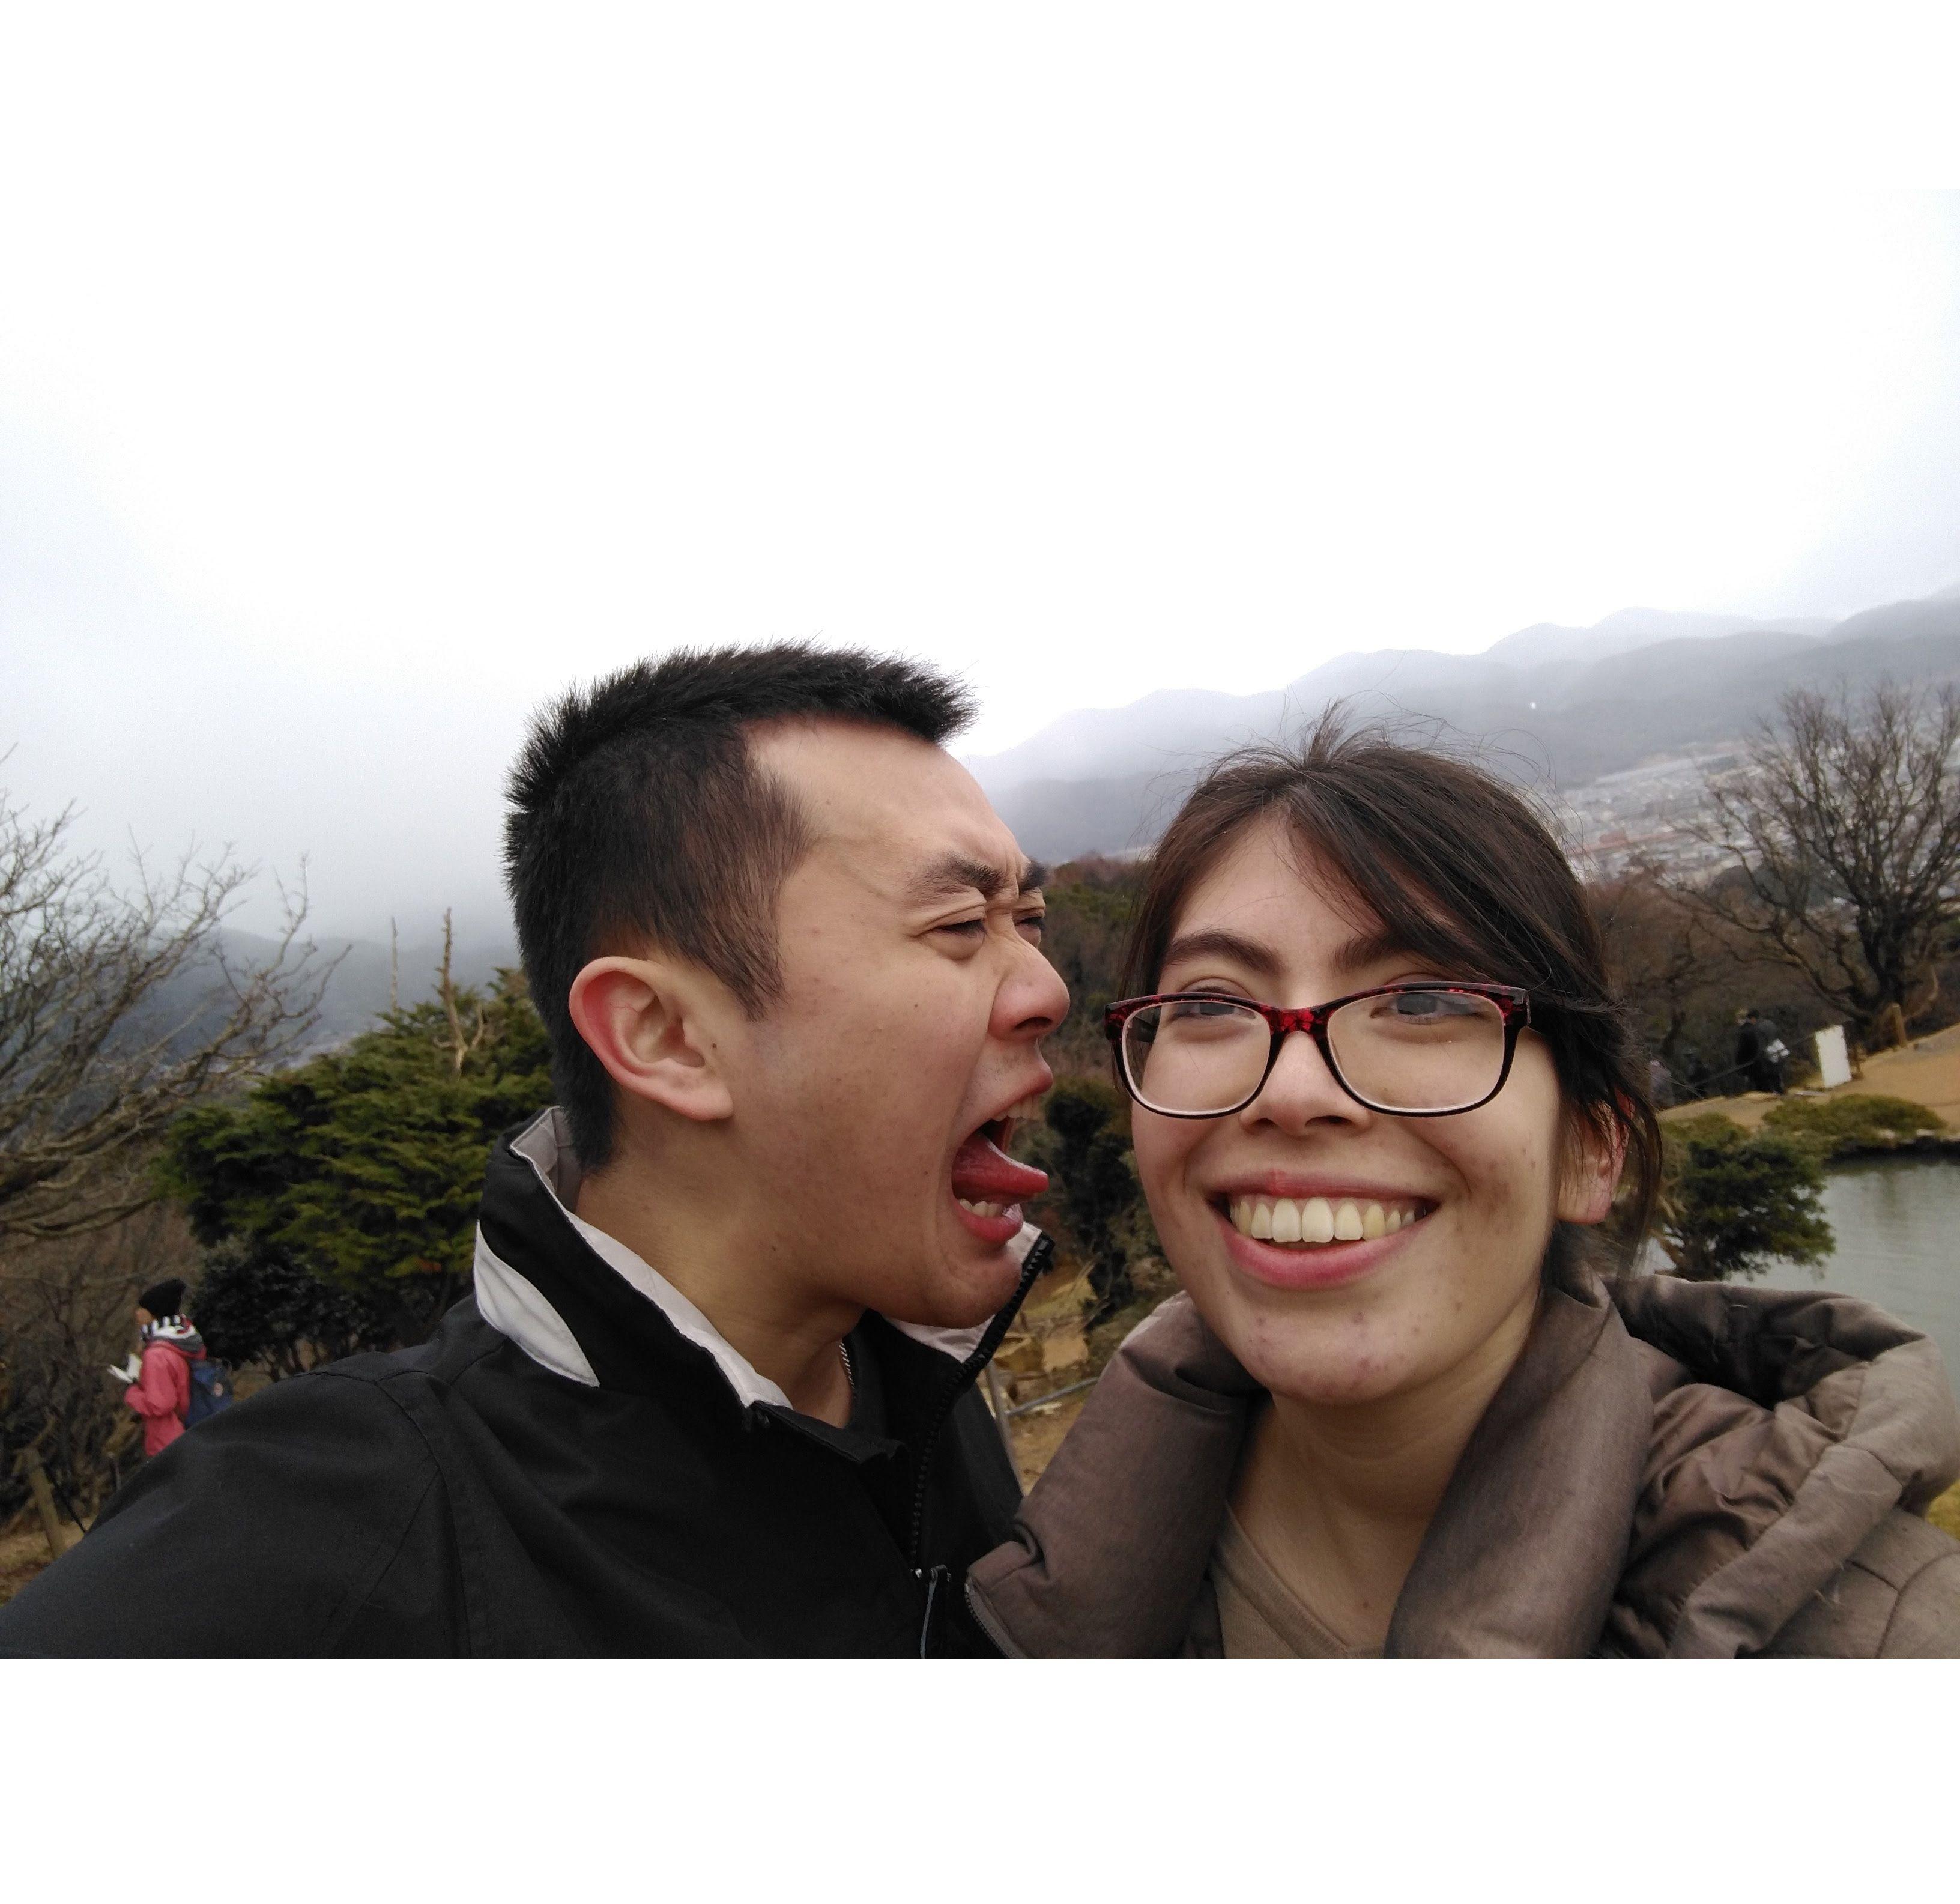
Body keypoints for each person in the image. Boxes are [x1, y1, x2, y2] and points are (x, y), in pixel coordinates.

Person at [1, 644, 1067, 1657]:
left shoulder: (919, 1389)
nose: (1046, 989)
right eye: (959, 923)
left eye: (1028, 916)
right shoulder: (317, 1541)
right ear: (665, 1035)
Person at [967, 720, 1960, 1657]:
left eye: (1423, 999)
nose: (1293, 1091)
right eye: (1212, 1002)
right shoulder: (1022, 1563)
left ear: (1590, 1146)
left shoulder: (1883, 1630)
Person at [113, 1280, 205, 1457]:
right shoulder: (180, 1342)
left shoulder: (156, 1355)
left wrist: (132, 1393)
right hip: (186, 1433)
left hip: (167, 1443)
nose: (137, 1313)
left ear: (155, 1314)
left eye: (143, 1309)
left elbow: (160, 1405)